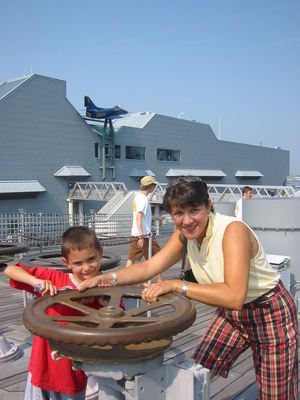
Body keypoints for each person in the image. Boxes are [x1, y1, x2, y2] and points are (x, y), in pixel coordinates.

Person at [78, 177, 298, 399]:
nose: (187, 221)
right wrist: (107, 278)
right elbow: (149, 266)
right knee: (193, 375)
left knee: (275, 394)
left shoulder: (232, 231)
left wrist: (176, 284)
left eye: (195, 210)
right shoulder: (185, 236)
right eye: (178, 213)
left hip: (269, 314)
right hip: (232, 317)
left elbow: (234, 296)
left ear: (209, 206)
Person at [4, 226, 115, 400]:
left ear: (100, 254)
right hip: (41, 370)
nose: (86, 268)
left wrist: (106, 303)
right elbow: (10, 270)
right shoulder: (54, 279)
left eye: (91, 259)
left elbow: (119, 322)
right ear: (67, 263)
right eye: (78, 263)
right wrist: (36, 281)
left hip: (72, 375)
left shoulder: (105, 290)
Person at [125, 175, 163, 281]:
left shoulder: (138, 197)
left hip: (135, 233)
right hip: (145, 235)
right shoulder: (144, 200)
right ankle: (160, 280)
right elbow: (139, 217)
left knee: (131, 258)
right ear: (149, 186)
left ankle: (126, 279)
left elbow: (143, 217)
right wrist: (141, 236)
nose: (154, 187)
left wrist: (157, 218)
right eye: (153, 185)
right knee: (158, 257)